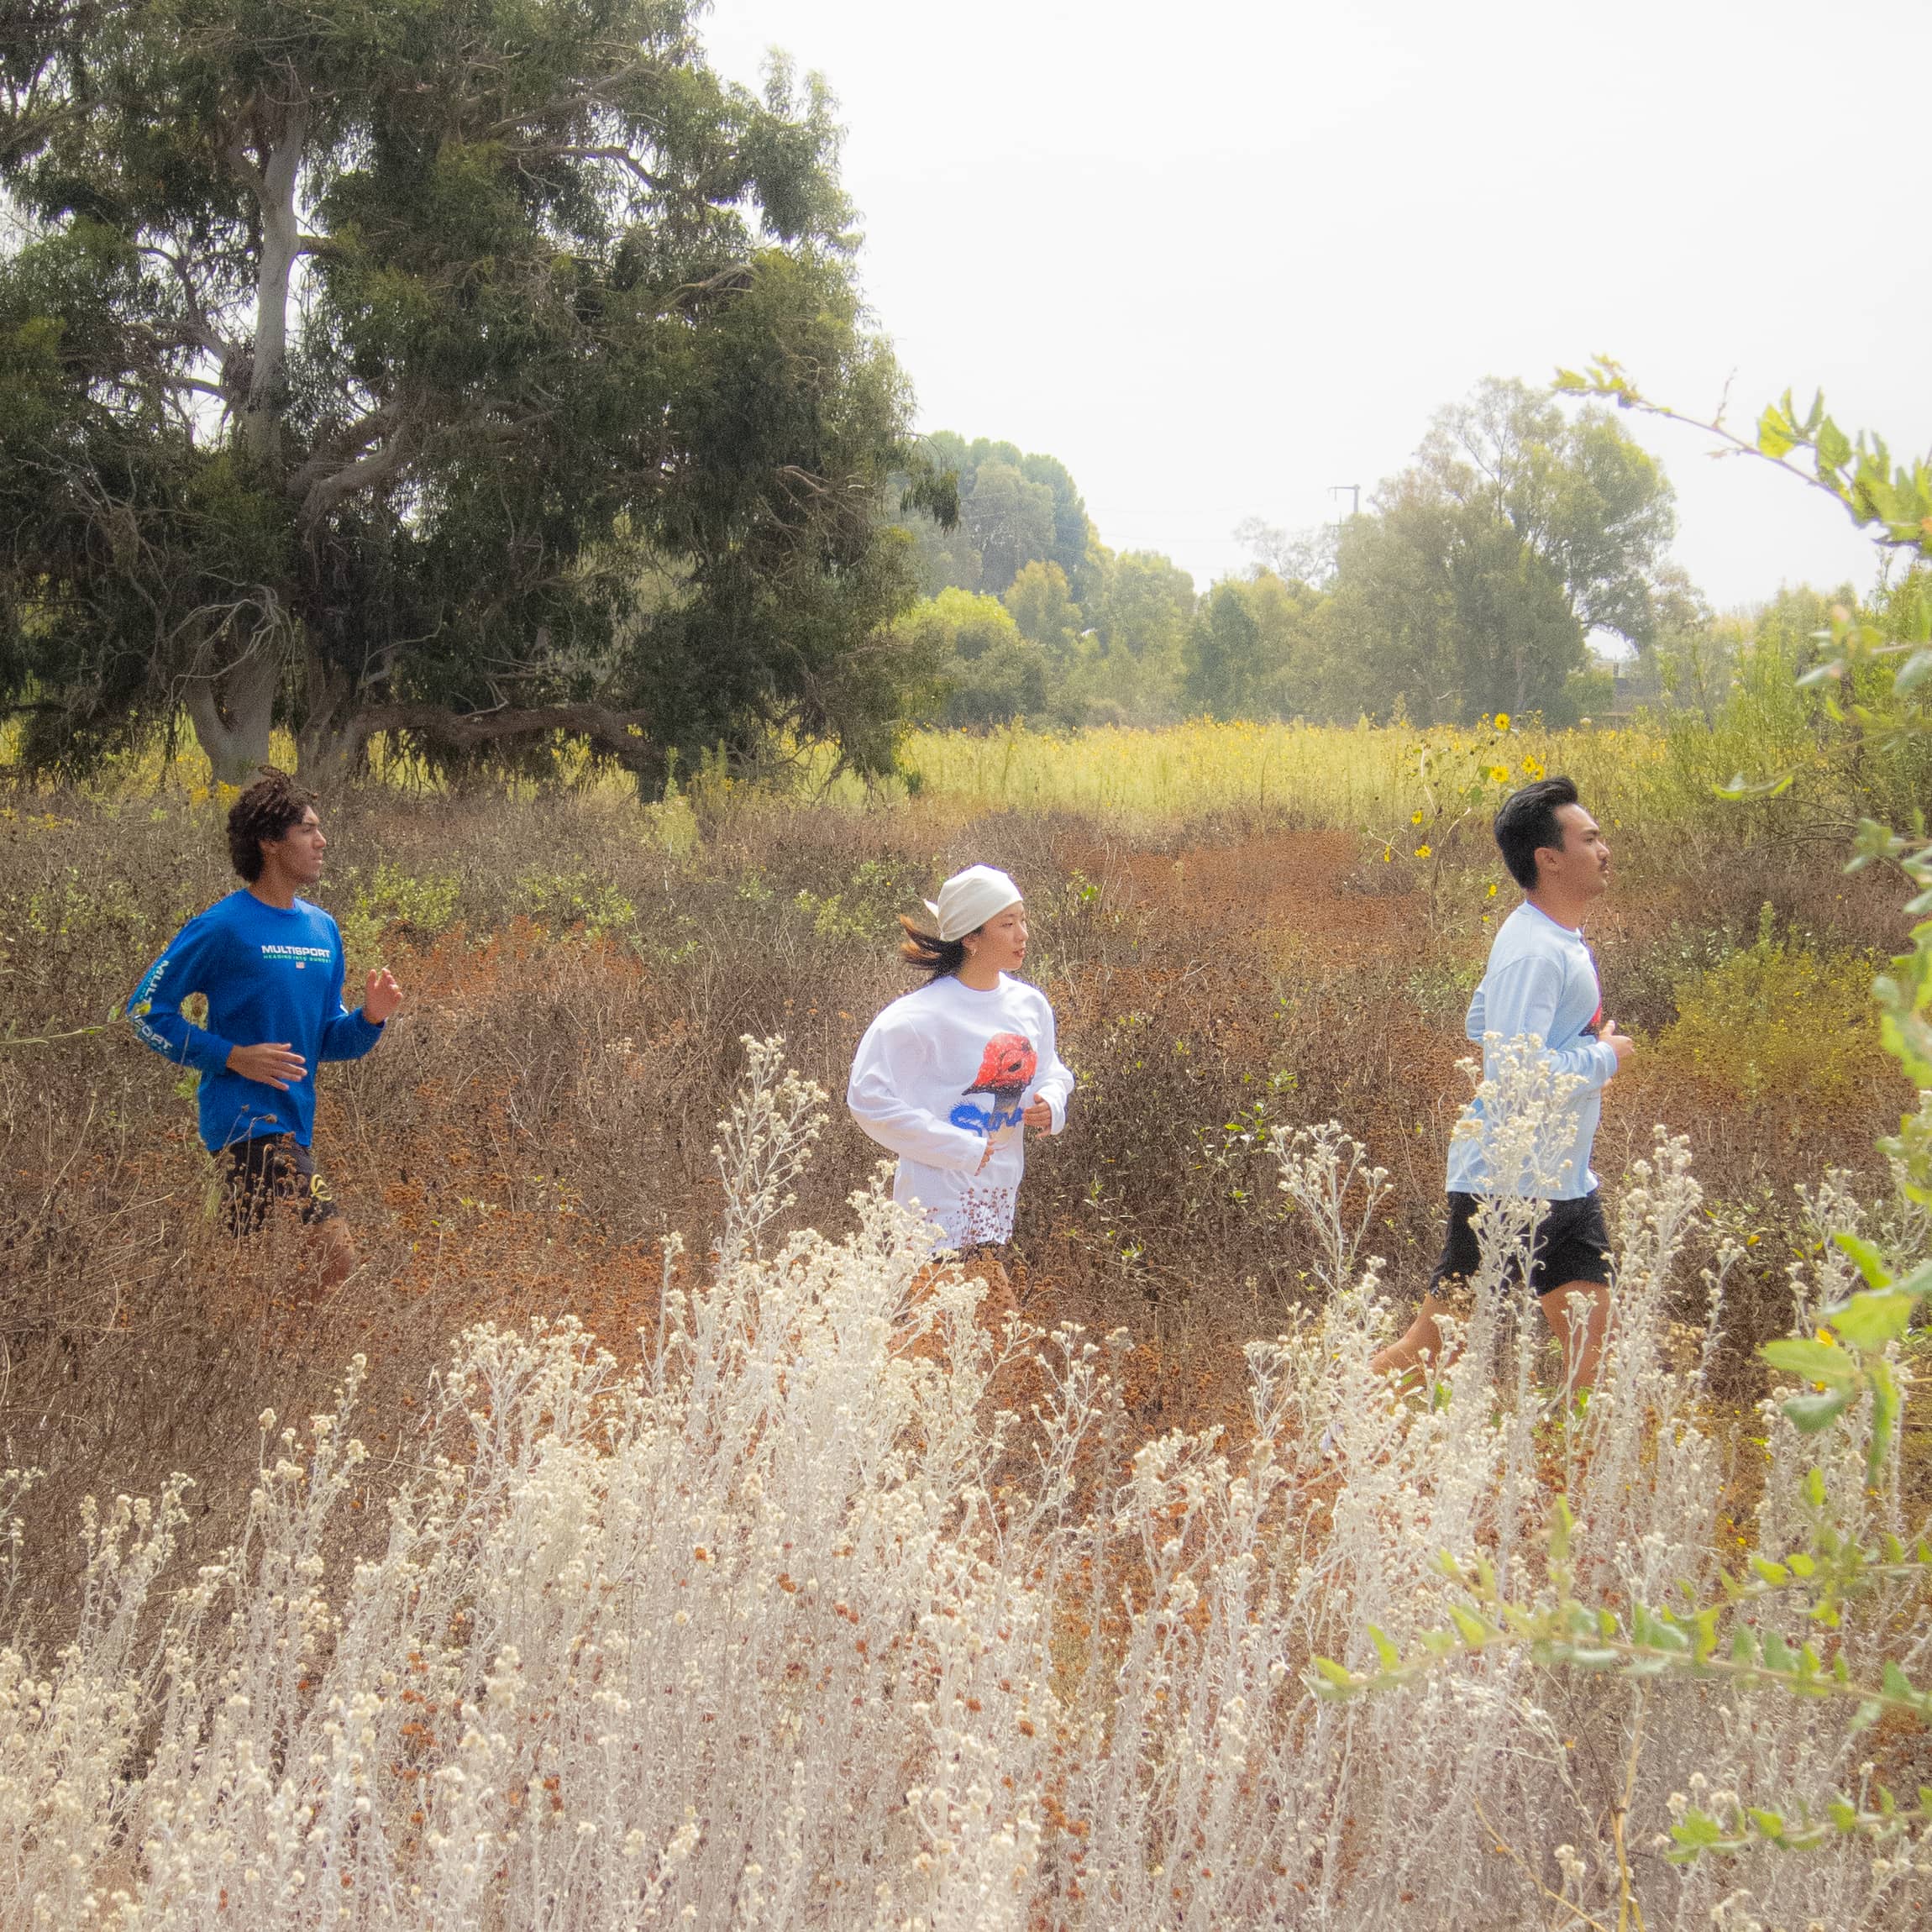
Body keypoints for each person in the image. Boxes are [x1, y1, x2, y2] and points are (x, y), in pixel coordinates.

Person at [1370, 776, 1633, 1395]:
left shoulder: (1551, 940)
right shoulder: (1534, 952)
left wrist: (1579, 1047)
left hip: (1565, 1184)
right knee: (1433, 1350)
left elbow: (1483, 1020)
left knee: (1594, 1359)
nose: (1604, 850)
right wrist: (1603, 1057)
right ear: (1549, 858)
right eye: (1590, 839)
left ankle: (1572, 1481)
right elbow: (1513, 1077)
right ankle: (1321, 1437)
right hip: (1506, 1187)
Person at [128, 769, 403, 1290]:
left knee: (244, 1275)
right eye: (307, 830)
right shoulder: (222, 925)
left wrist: (370, 1017)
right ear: (270, 843)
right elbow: (146, 1010)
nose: (322, 842)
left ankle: (258, 1361)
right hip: (245, 1123)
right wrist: (233, 1056)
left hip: (295, 1120)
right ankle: (300, 1359)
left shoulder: (323, 929)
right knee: (336, 1257)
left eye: (320, 830)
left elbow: (325, 1040)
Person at [848, 864, 1074, 1253]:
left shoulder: (1029, 1004)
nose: (1023, 935)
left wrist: (1051, 1102)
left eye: (1023, 920)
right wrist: (958, 1147)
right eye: (1007, 924)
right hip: (935, 1214)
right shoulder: (917, 1017)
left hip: (1000, 1205)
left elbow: (1051, 1071)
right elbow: (867, 1099)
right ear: (971, 936)